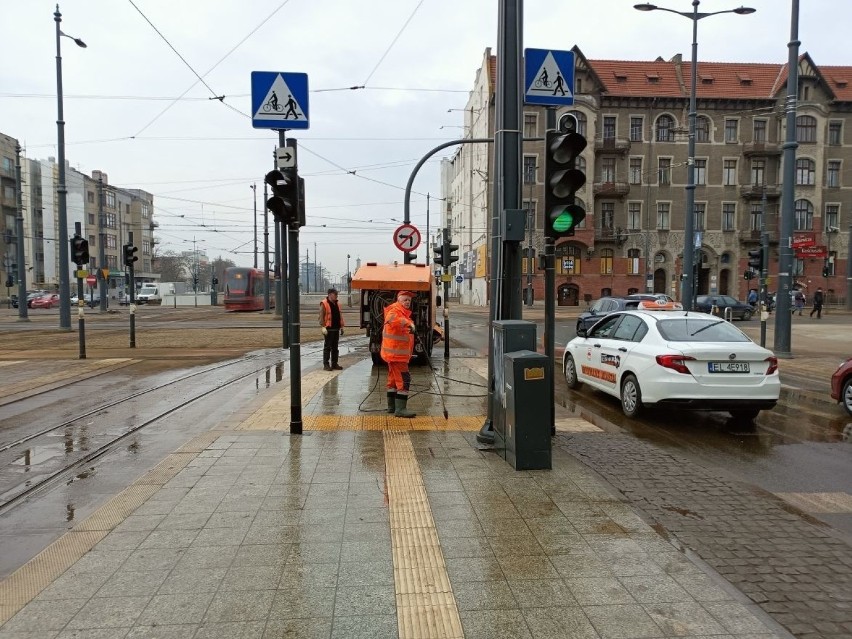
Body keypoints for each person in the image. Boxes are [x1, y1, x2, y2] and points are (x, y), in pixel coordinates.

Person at [381, 290, 417, 418]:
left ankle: (392, 407)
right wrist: (409, 323)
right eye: (405, 300)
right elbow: (393, 320)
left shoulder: (401, 312)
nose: (407, 302)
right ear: (399, 300)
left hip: (395, 354)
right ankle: (400, 409)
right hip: (396, 355)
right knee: (404, 379)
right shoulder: (395, 311)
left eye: (409, 300)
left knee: (393, 381)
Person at [319, 288, 344, 370]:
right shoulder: (324, 303)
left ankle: (334, 363)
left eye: (337, 294)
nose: (336, 296)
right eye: (335, 294)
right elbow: (321, 316)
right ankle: (326, 365)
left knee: (335, 348)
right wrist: (323, 326)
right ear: (330, 295)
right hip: (328, 329)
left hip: (336, 328)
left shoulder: (337, 304)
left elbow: (340, 316)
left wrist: (341, 327)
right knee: (327, 347)